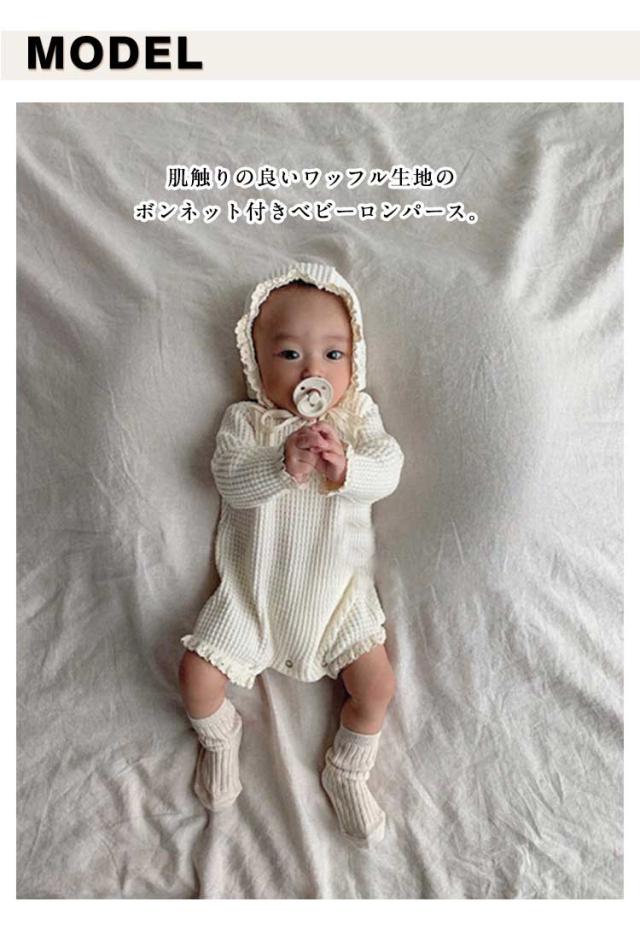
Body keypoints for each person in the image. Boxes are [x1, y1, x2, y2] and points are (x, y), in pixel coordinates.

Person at [178, 261, 404, 846]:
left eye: (333, 354)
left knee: (377, 687)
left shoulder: (356, 420)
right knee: (196, 677)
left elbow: (389, 470)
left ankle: (348, 770)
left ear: (354, 361)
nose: (312, 371)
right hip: (251, 598)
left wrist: (347, 467)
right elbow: (230, 480)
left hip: (338, 600)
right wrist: (282, 465)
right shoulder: (247, 423)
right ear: (256, 364)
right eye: (289, 354)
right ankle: (220, 738)